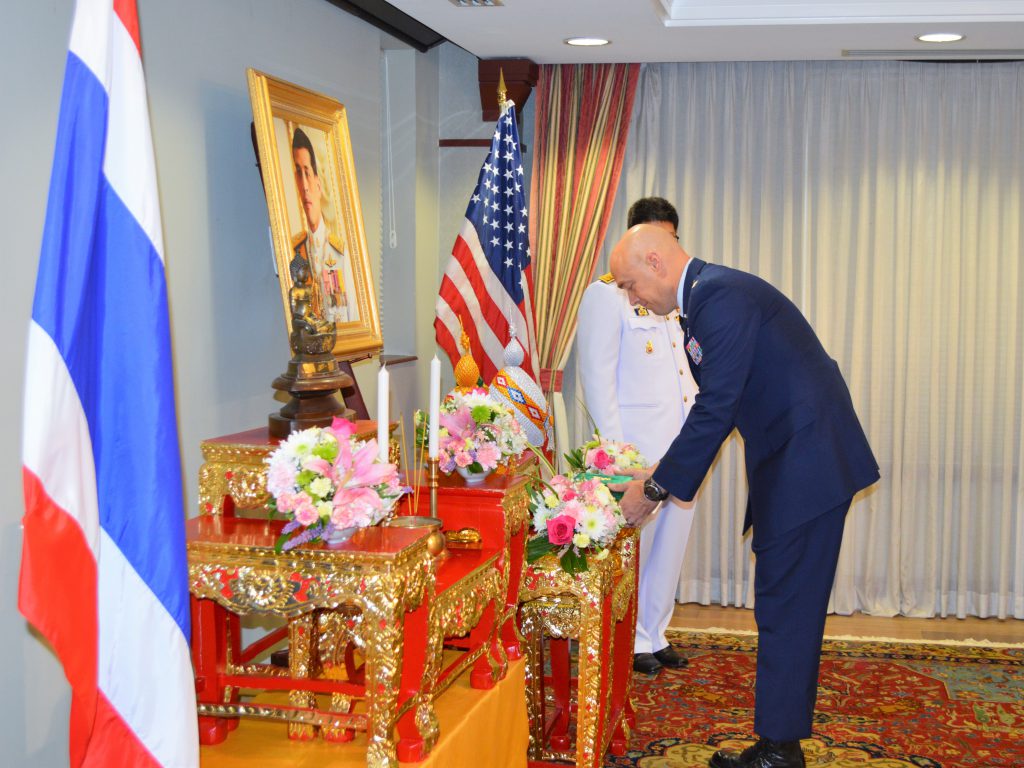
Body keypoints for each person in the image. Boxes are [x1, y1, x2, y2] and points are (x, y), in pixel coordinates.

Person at [609, 224, 879, 768]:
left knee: (787, 605)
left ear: (657, 263)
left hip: (809, 463)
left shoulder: (719, 297)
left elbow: (716, 407)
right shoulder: (710, 296)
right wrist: (657, 467)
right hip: (801, 459)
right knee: (784, 602)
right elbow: (722, 404)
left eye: (630, 285)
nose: (632, 298)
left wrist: (655, 492)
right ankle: (778, 744)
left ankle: (779, 751)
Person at [577, 197, 697, 675]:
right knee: (637, 547)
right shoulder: (607, 294)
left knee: (672, 543)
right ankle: (629, 641)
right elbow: (597, 377)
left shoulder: (673, 291)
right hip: (636, 449)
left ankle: (655, 630)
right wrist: (614, 452)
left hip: (681, 443)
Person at [289, 127, 358, 324]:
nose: (304, 185)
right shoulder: (295, 249)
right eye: (298, 173)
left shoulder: (339, 251)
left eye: (307, 173)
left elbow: (352, 316)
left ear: (318, 185)